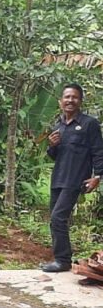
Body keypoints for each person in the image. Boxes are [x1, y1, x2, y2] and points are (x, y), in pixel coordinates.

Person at [42, 83, 103, 273]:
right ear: (61, 102)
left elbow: (98, 152)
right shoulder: (58, 126)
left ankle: (62, 260)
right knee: (55, 219)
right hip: (58, 179)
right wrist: (51, 146)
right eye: (67, 97)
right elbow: (55, 155)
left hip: (75, 180)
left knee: (58, 218)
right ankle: (61, 258)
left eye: (74, 97)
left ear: (80, 101)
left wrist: (97, 176)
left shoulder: (89, 124)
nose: (70, 100)